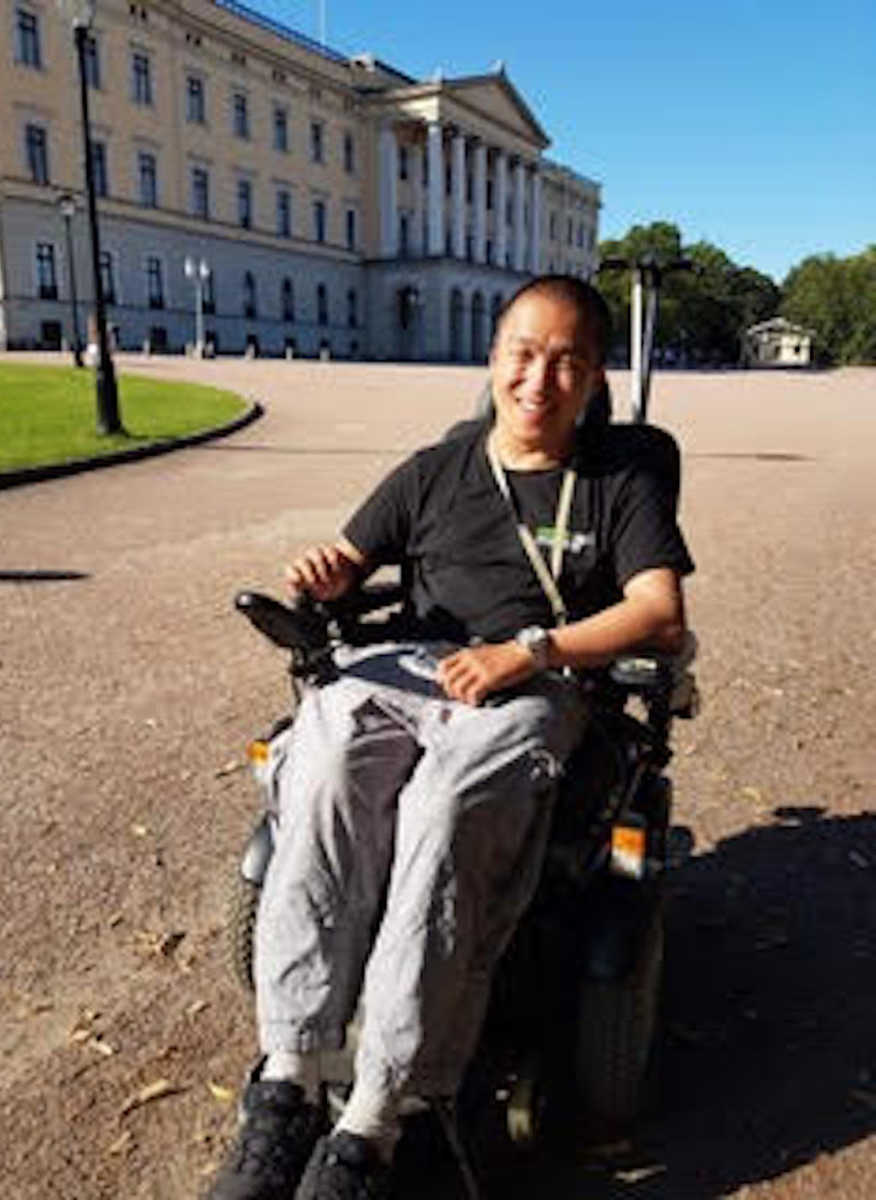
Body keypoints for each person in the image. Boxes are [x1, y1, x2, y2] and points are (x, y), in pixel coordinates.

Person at [207, 276, 693, 1200]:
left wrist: (529, 651)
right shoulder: (436, 468)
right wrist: (326, 571)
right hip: (408, 673)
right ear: (493, 356)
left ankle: (380, 1117)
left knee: (444, 806)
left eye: (566, 362)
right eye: (522, 353)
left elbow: (660, 613)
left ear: (593, 380)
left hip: (533, 683)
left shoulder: (620, 483)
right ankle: (289, 1078)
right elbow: (348, 564)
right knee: (320, 764)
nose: (538, 378)